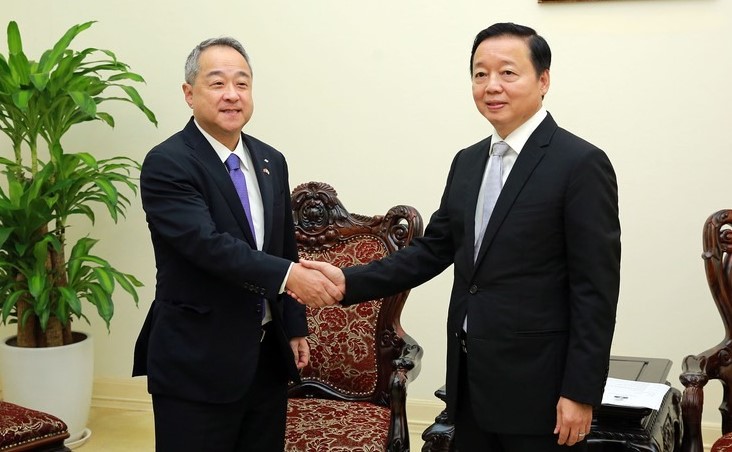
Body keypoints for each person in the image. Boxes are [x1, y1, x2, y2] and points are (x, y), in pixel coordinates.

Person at [295, 22, 620, 451]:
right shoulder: (468, 162)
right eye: (480, 73)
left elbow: (595, 289)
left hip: (539, 384)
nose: (491, 86)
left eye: (508, 72)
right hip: (470, 378)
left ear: (543, 81)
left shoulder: (580, 163)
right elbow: (433, 251)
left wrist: (580, 391)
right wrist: (347, 281)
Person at [131, 37, 343, 452]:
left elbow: (283, 247)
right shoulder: (168, 163)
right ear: (189, 94)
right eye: (217, 83)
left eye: (242, 83)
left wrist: (294, 325)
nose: (232, 95)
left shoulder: (270, 160)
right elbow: (207, 245)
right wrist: (291, 278)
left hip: (264, 357)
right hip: (198, 359)